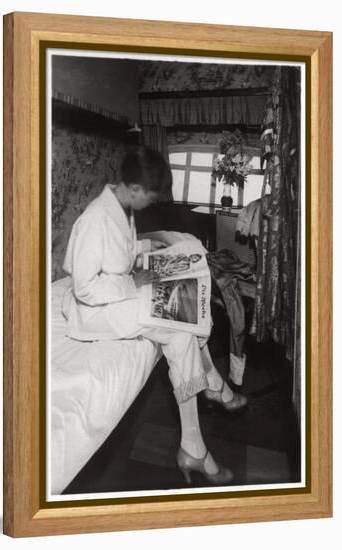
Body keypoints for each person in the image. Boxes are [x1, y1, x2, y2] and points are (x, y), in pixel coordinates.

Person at [62, 146, 246, 485]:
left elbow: (119, 252)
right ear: (133, 189)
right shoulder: (94, 219)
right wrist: (132, 283)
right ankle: (208, 398)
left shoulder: (121, 206)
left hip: (118, 295)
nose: (152, 204)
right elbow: (85, 288)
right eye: (150, 197)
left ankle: (195, 442)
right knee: (179, 326)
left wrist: (147, 250)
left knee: (183, 318)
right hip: (95, 312)